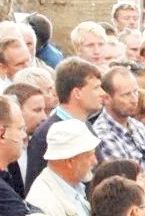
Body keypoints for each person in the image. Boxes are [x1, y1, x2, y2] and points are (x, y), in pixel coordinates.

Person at [23, 57, 105, 187]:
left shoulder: (86, 125)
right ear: (77, 93)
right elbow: (37, 187)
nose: (103, 93)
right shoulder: (48, 134)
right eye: (96, 88)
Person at [94, 66, 145, 198]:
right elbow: (129, 193)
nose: (134, 99)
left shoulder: (138, 127)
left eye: (135, 92)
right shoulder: (103, 136)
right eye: (126, 94)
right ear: (107, 98)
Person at [25, 119, 99, 216]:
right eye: (90, 155)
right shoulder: (43, 204)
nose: (95, 161)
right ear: (70, 161)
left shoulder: (76, 188)